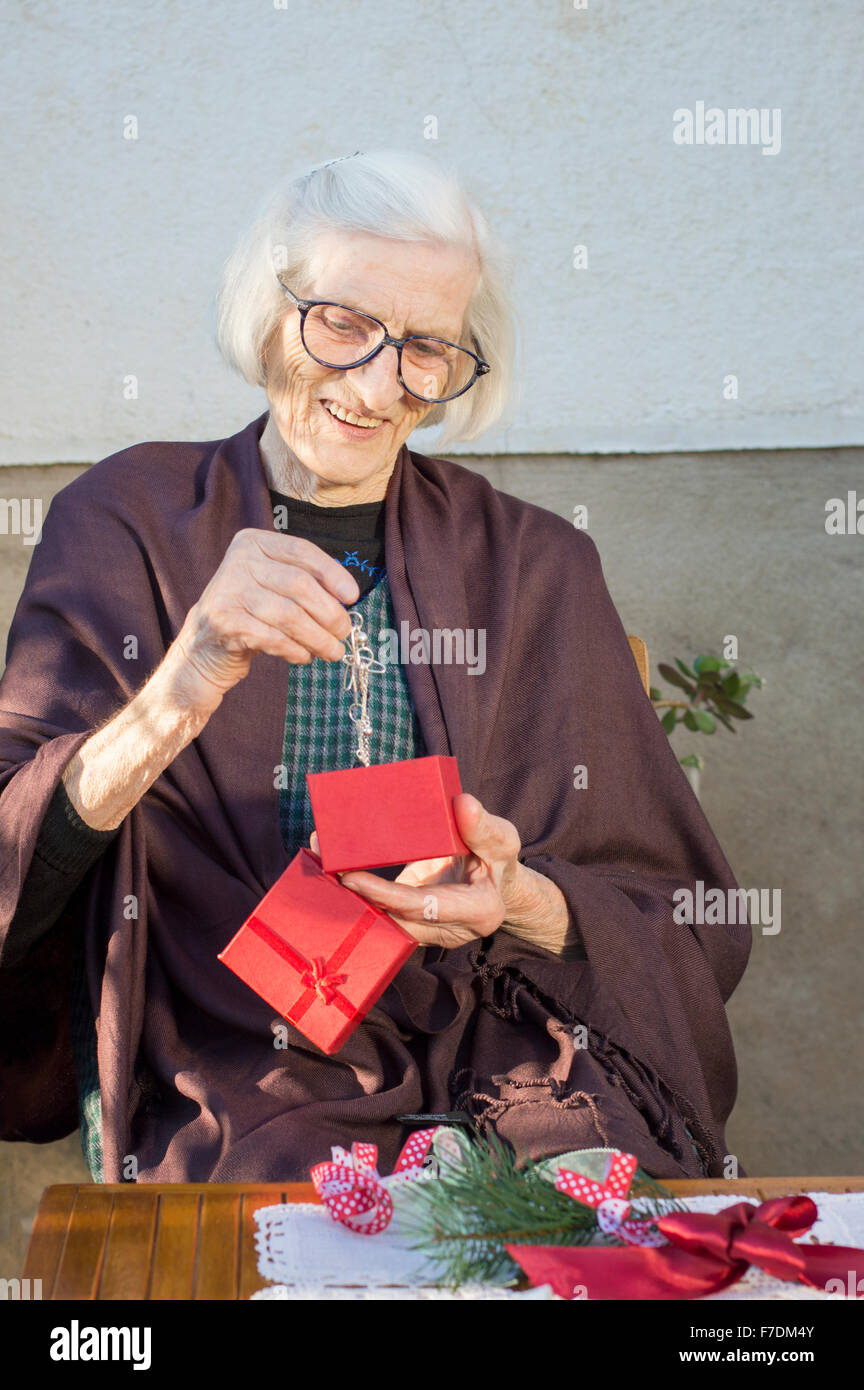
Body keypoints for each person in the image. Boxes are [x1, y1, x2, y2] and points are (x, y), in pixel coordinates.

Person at [0, 149, 750, 1183]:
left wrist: (519, 895)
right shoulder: (125, 520)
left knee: (596, 1211)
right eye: (343, 322)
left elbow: (679, 911)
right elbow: (17, 840)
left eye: (426, 346)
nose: (378, 380)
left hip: (508, 1043)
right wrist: (185, 678)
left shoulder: (535, 563)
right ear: (270, 318)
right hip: (242, 1060)